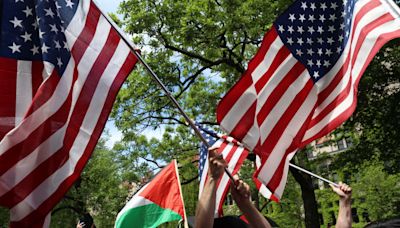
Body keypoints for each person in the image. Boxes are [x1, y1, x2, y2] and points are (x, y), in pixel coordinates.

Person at [195, 146, 271, 228]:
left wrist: (245, 204)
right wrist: (212, 178)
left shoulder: (264, 220)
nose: (237, 176)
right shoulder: (226, 223)